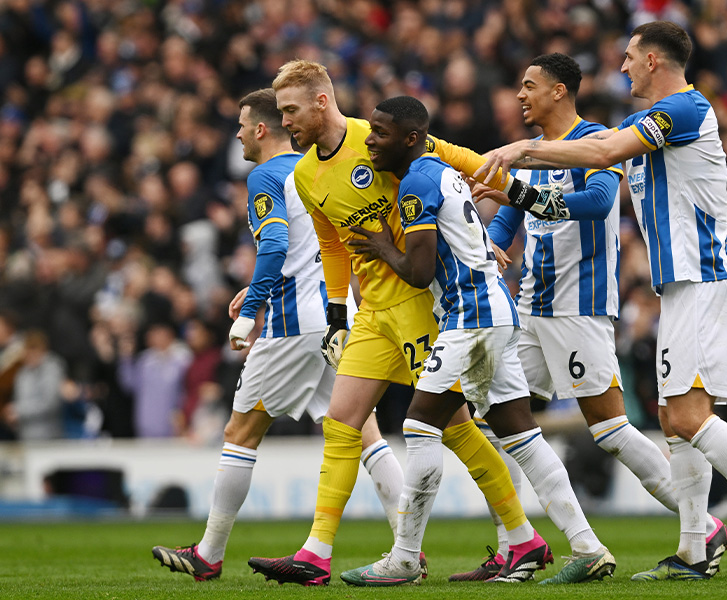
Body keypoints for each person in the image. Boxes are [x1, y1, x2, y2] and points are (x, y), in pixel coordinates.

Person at [477, 21, 727, 582]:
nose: (623, 67)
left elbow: (603, 153)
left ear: (654, 61)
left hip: (702, 278)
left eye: (630, 57)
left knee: (685, 415)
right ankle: (693, 551)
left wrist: (518, 150)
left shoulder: (684, 110)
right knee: (671, 418)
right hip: (679, 286)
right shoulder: (642, 122)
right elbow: (593, 151)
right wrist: (517, 171)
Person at [247, 60, 556, 586]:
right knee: (341, 422)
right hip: (372, 313)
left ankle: (523, 536)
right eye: (280, 113)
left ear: (322, 101)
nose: (286, 122)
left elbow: (462, 161)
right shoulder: (302, 174)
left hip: (421, 304)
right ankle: (315, 553)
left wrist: (516, 209)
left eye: (292, 110)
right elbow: (332, 244)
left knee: (455, 429)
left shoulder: (380, 139)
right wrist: (337, 313)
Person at [459, 52, 727, 581]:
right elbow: (511, 211)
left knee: (608, 429)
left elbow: (592, 204)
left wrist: (516, 186)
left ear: (558, 91)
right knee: (494, 417)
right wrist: (493, 245)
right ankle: (515, 545)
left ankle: (701, 525)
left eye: (529, 85)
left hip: (579, 307)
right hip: (531, 305)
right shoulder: (538, 154)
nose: (520, 95)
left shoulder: (598, 142)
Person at [339, 95, 614, 587]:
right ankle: (588, 547)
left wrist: (383, 245)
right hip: (494, 310)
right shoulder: (438, 169)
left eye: (379, 133)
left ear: (410, 138)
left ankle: (404, 557)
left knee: (420, 424)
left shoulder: (417, 182)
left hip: (471, 316)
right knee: (521, 436)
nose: (370, 141)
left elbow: (420, 273)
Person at [151, 88, 406, 581]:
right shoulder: (313, 167)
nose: (239, 134)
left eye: (243, 125)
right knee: (363, 429)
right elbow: (309, 247)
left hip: (293, 326)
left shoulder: (266, 174)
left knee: (240, 433)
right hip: (337, 312)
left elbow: (274, 243)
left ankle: (208, 553)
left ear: (261, 129)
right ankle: (407, 549)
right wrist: (258, 285)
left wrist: (252, 306)